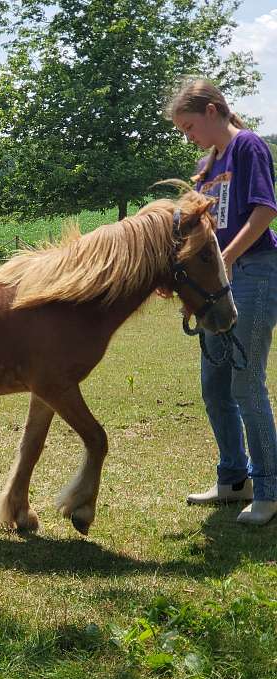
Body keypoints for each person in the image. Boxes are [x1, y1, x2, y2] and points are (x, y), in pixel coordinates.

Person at [170, 78, 277, 525]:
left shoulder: (248, 146)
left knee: (245, 383)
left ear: (213, 111)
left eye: (189, 126)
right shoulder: (204, 165)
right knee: (214, 386)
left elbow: (265, 210)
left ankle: (269, 489)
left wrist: (226, 261)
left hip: (255, 273)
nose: (187, 136)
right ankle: (234, 479)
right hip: (219, 282)